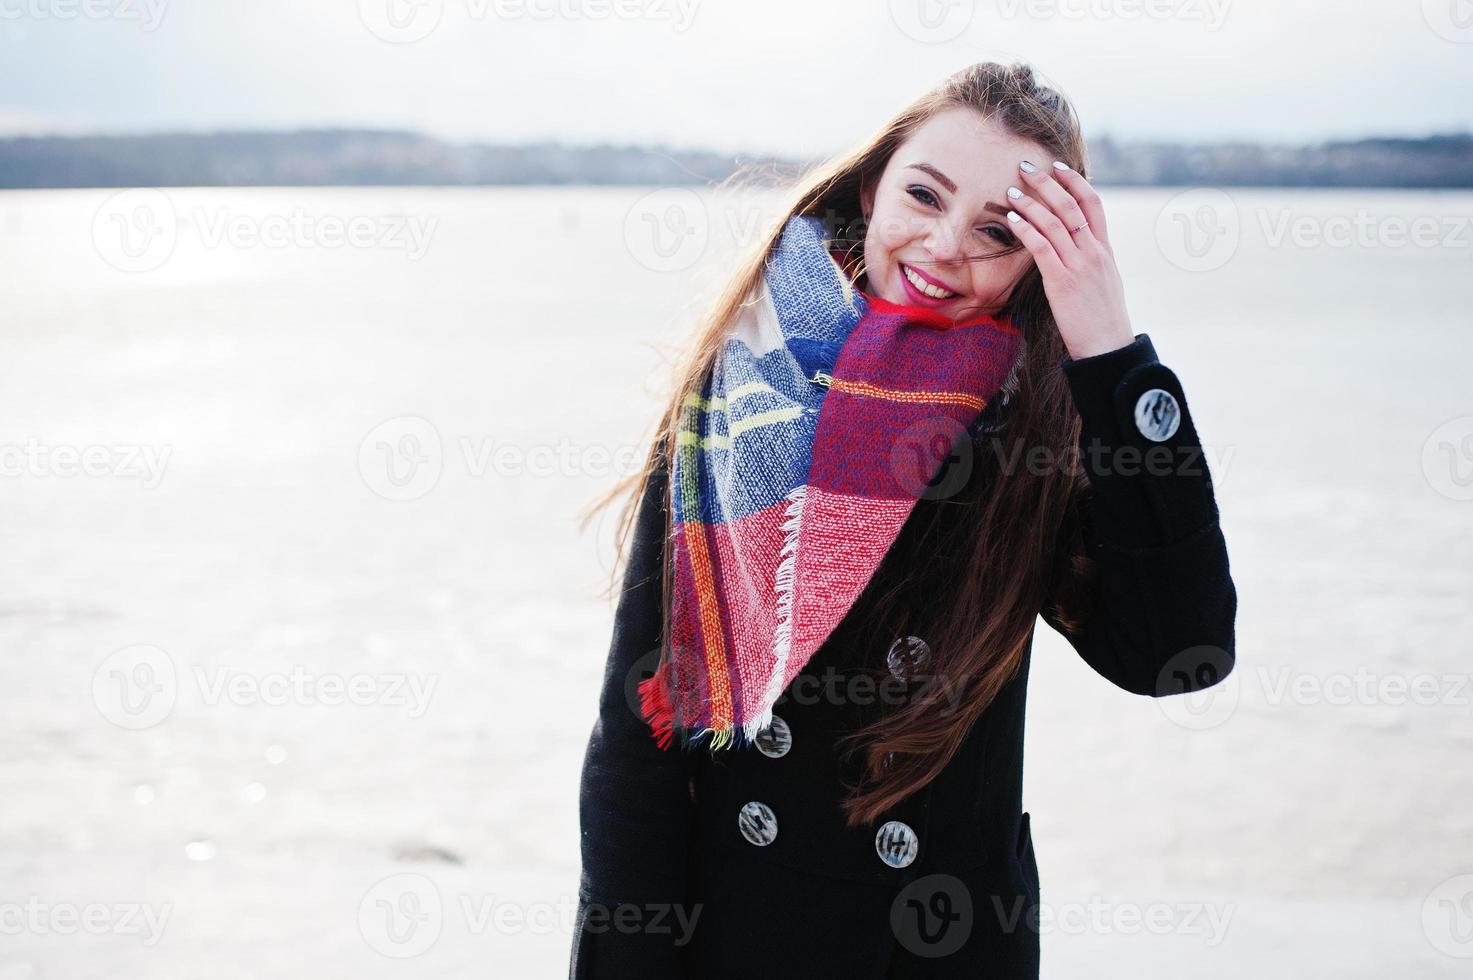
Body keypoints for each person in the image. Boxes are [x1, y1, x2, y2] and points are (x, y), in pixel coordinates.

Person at [569, 60, 1238, 979]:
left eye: (998, 232)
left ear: (1040, 260)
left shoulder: (1036, 424)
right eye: (923, 195)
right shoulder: (744, 388)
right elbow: (637, 737)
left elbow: (1175, 652)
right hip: (736, 933)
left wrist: (1111, 358)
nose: (943, 245)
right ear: (872, 183)